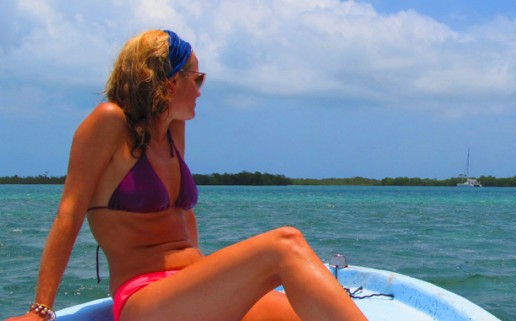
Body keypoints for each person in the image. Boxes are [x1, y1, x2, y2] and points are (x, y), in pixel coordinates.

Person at [5, 29, 368, 321]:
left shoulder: (173, 130)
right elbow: (69, 212)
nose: (200, 90)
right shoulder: (109, 121)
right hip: (147, 298)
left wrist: (217, 286)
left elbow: (183, 220)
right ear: (165, 80)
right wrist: (41, 310)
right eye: (197, 78)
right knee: (284, 244)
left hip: (191, 290)